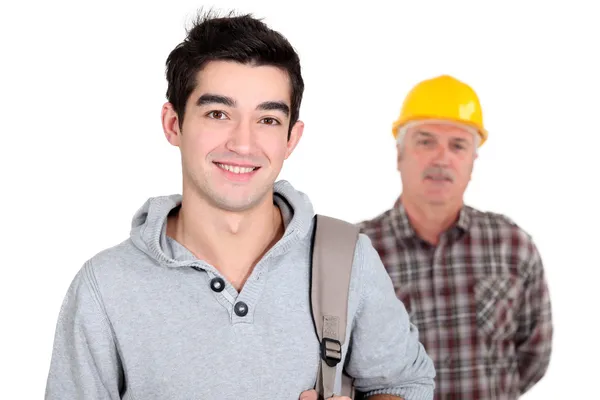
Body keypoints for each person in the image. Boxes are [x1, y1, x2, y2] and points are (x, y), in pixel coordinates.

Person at [44, 10, 435, 400]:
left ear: (291, 138)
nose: (243, 144)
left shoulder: (346, 260)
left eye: (267, 119)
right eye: (218, 113)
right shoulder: (105, 288)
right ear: (173, 124)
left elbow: (403, 385)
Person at [357, 74, 553, 399]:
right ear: (399, 154)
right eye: (425, 141)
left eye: (458, 145)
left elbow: (534, 353)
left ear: (472, 161)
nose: (441, 157)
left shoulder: (512, 246)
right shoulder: (356, 251)